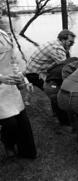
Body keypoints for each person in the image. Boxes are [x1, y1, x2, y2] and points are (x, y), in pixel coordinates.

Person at [0, 29, 37, 159]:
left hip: (11, 87)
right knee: (10, 123)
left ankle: (26, 152)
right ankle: (8, 144)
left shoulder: (4, 34)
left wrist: (22, 79)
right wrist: (1, 78)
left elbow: (13, 60)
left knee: (22, 122)